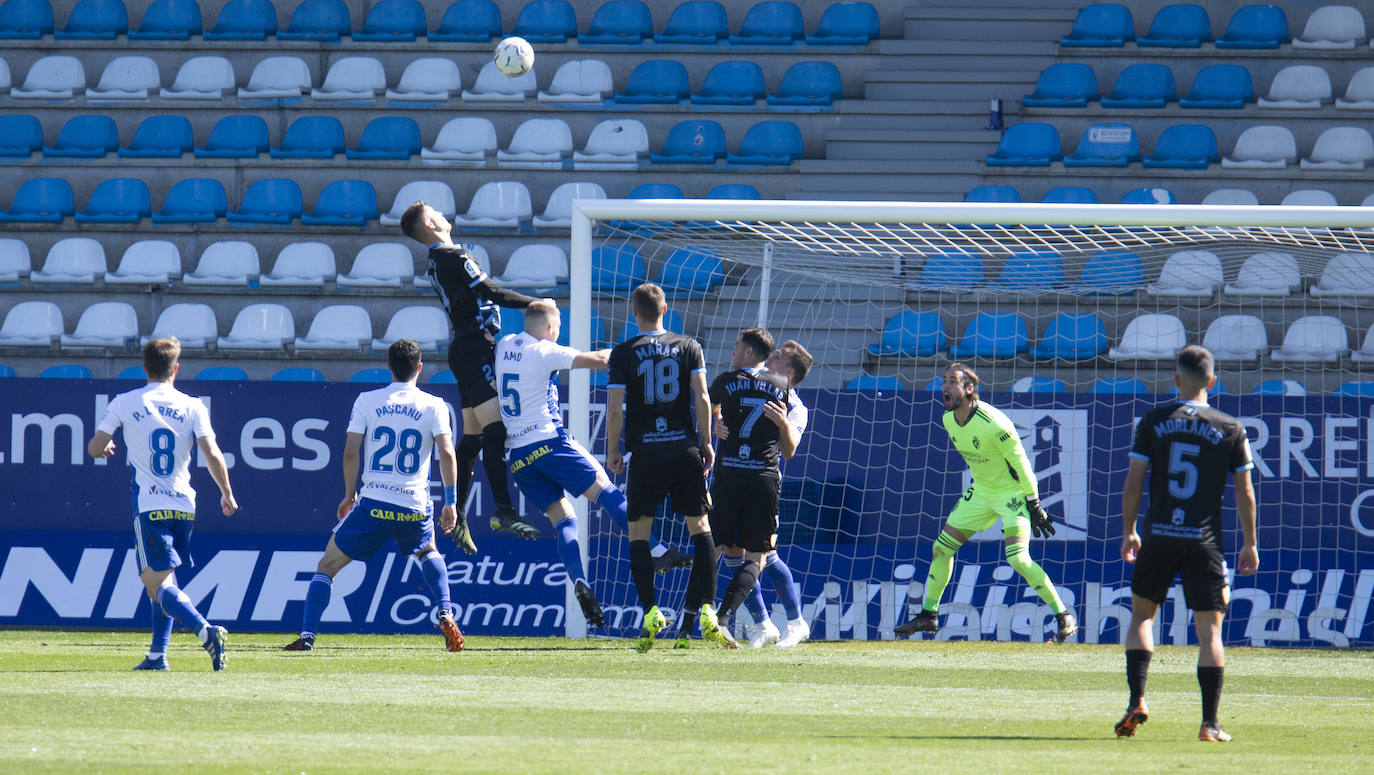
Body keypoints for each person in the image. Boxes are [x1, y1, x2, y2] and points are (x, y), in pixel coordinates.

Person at [284, 339, 465, 653]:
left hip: (375, 503)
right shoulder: (434, 404)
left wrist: (348, 494)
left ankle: (308, 635)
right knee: (427, 552)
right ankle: (445, 611)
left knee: (327, 566)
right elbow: (447, 453)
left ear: (389, 367)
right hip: (413, 505)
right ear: (419, 368)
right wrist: (451, 502)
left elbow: (351, 451)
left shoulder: (367, 400)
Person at [1115, 345, 1258, 743]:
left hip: (1159, 534)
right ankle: (1210, 724)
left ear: (1176, 381)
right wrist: (1250, 542)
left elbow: (1133, 483)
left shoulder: (1154, 420)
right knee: (1210, 633)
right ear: (1213, 382)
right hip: (1204, 540)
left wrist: (1129, 530)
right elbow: (1244, 491)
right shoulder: (1230, 427)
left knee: (1143, 616)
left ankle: (1137, 701)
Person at [894, 363, 1078, 643]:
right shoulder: (948, 420)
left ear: (969, 390)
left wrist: (1034, 504)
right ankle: (929, 616)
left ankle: (1063, 615)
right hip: (980, 493)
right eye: (943, 381)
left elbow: (1022, 465)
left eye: (952, 382)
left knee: (1017, 558)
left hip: (1011, 494)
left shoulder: (995, 423)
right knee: (942, 549)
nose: (944, 387)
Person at [87, 336, 237, 671]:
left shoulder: (125, 402)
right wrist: (226, 492)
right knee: (164, 579)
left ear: (144, 367)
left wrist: (106, 448)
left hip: (150, 504)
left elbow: (95, 448)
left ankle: (206, 631)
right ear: (176, 368)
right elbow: (212, 453)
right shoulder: (193, 405)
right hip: (184, 505)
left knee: (156, 584)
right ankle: (158, 654)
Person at [400, 200, 540, 541]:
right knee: (496, 429)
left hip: (463, 348)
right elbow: (491, 292)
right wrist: (535, 303)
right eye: (436, 214)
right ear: (431, 226)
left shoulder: (434, 262)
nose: (444, 216)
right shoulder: (455, 257)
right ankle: (503, 510)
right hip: (478, 347)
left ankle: (459, 514)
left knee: (473, 437)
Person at [495, 299, 622, 628]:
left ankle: (578, 578)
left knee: (563, 518)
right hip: (549, 443)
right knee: (605, 489)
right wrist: (631, 351)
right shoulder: (545, 351)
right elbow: (596, 360)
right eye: (559, 328)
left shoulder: (504, 344)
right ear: (550, 330)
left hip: (519, 457)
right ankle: (654, 549)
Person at [605, 283, 715, 652]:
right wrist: (706, 442)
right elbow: (701, 396)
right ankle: (707, 611)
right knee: (700, 528)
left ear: (633, 312)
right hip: (683, 448)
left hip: (646, 454)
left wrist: (613, 450)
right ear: (665, 308)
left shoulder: (622, 352)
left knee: (638, 534)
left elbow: (616, 407)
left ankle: (651, 611)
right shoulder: (689, 345)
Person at [693, 328, 792, 649]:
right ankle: (723, 620)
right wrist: (782, 425)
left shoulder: (724, 380)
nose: (733, 351)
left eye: (737, 346)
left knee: (713, 547)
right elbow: (788, 450)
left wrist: (713, 423)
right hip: (764, 478)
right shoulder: (780, 385)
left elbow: (708, 403)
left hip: (730, 477)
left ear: (748, 353)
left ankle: (693, 621)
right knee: (756, 557)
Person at [714, 340, 814, 649]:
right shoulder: (749, 386)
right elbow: (715, 403)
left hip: (762, 482)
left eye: (779, 356)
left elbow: (790, 451)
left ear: (789, 371)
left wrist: (782, 422)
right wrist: (716, 420)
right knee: (731, 549)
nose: (770, 357)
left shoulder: (796, 406)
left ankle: (796, 623)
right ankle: (763, 624)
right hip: (733, 478)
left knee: (766, 555)